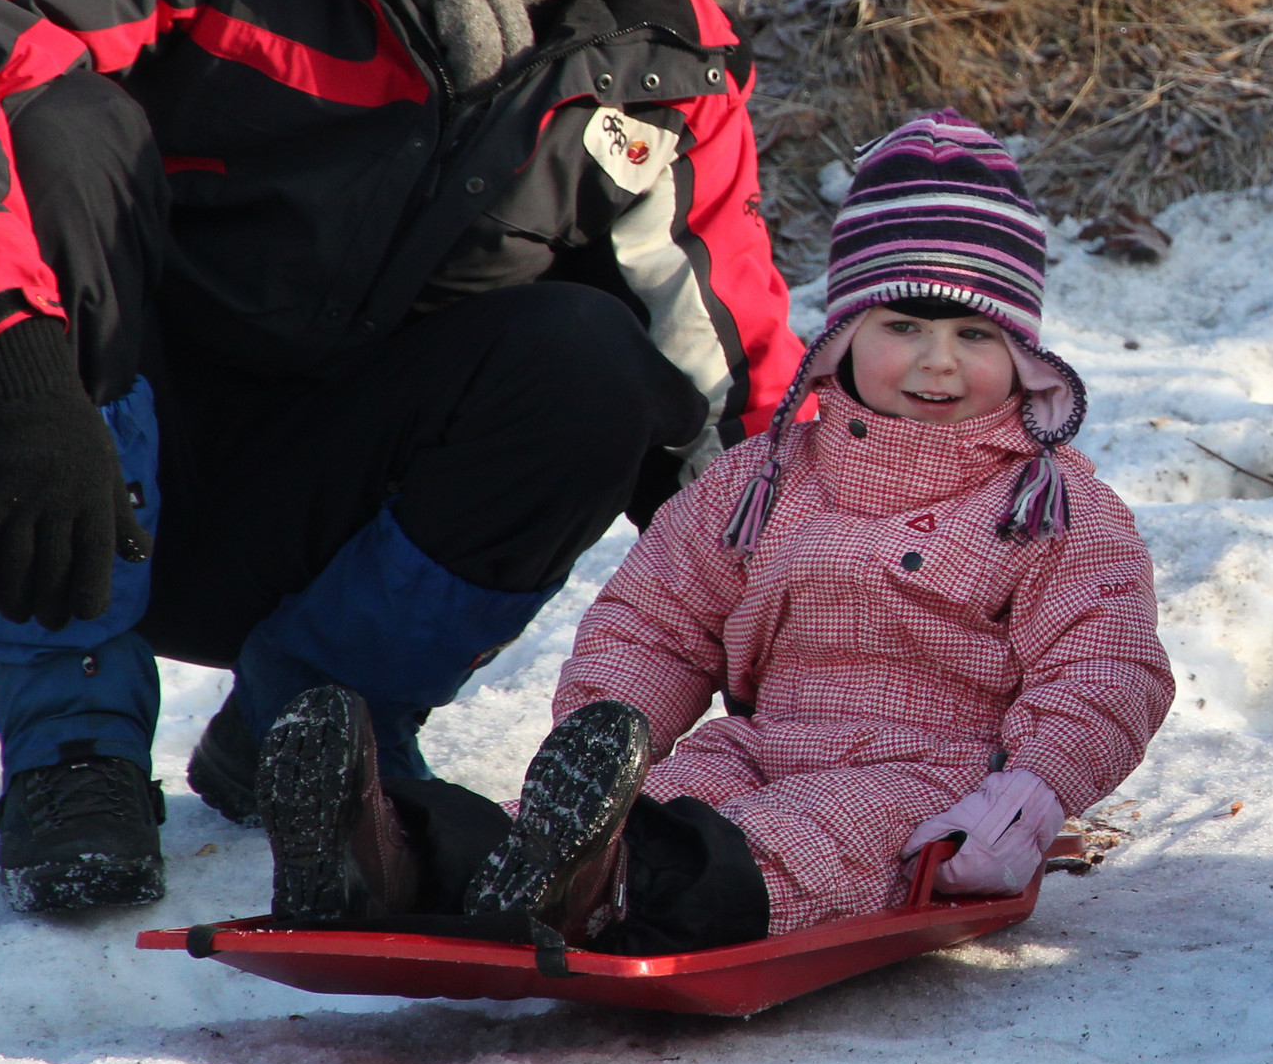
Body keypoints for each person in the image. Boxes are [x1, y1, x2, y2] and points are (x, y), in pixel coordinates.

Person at [0, 0, 800, 913]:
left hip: (326, 509)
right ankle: (73, 751)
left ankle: (313, 733)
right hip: (53, 457)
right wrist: (8, 367)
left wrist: (841, 624)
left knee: (594, 365)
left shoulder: (650, 53)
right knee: (53, 127)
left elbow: (734, 383)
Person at [251, 112, 1176, 950]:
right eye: (904, 326)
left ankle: (605, 889)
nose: (939, 363)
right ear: (844, 336)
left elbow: (1107, 669)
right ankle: (391, 853)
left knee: (783, 850)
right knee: (630, 812)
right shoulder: (761, 482)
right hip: (755, 749)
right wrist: (607, 738)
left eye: (976, 337)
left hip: (927, 780)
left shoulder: (1051, 507)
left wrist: (1027, 797)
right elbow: (659, 623)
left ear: (1024, 355)